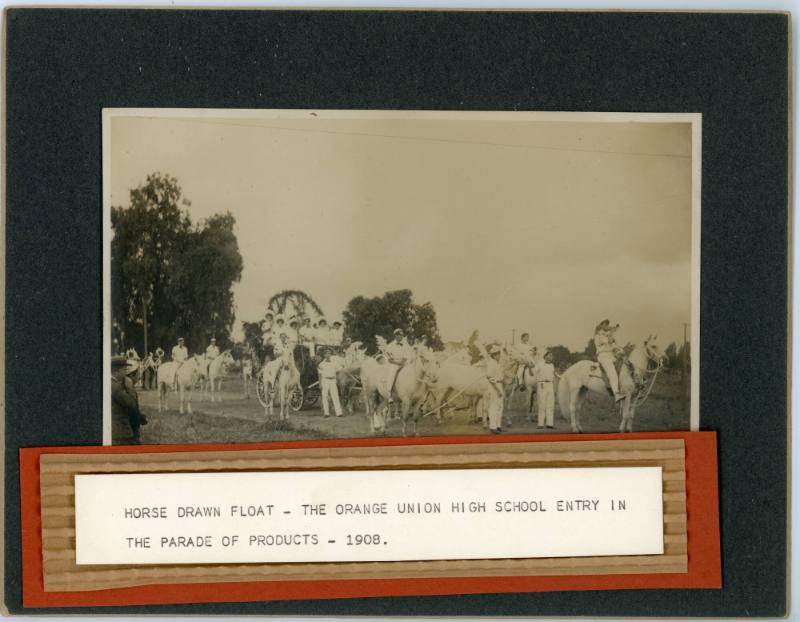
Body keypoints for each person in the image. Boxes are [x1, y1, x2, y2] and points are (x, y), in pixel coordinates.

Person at [111, 355, 147, 444]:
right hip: (122, 432)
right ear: (116, 371)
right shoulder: (117, 386)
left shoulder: (116, 384)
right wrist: (130, 388)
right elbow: (131, 405)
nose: (125, 373)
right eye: (124, 370)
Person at [594, 319, 624, 402]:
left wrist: (621, 350)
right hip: (603, 356)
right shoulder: (599, 335)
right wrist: (612, 331)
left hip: (611, 356)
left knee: (625, 367)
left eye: (608, 324)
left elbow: (615, 346)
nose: (607, 326)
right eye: (605, 324)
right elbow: (610, 341)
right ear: (601, 326)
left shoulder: (608, 334)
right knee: (612, 373)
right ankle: (616, 394)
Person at [481, 344, 505, 434]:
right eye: (498, 354)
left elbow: (500, 376)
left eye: (499, 354)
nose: (499, 356)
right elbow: (490, 377)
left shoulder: (497, 364)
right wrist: (498, 390)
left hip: (499, 385)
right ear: (494, 355)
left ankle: (498, 425)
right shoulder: (491, 363)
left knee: (500, 406)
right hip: (494, 386)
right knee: (494, 407)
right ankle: (493, 427)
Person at [385, 328, 413, 403]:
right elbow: (389, 359)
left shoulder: (405, 345)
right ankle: (389, 393)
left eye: (401, 335)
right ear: (395, 336)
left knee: (411, 371)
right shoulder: (390, 345)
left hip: (403, 362)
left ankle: (409, 391)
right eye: (399, 335)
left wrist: (403, 362)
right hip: (393, 364)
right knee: (392, 374)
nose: (401, 337)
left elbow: (405, 357)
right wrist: (396, 363)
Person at [317, 348, 343, 417]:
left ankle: (339, 413)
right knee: (325, 396)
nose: (328, 355)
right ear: (324, 355)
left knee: (335, 396)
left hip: (333, 381)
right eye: (326, 354)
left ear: (330, 355)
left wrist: (337, 378)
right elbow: (319, 374)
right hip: (325, 380)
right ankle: (326, 413)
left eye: (329, 354)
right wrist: (320, 383)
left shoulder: (334, 363)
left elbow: (339, 370)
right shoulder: (321, 364)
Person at [535, 350, 556, 429]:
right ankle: (540, 424)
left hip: (550, 384)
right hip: (542, 384)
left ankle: (549, 424)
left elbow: (553, 375)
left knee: (550, 405)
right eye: (549, 355)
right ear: (545, 356)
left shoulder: (552, 365)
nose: (551, 357)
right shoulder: (539, 364)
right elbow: (534, 372)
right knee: (542, 404)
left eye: (552, 355)